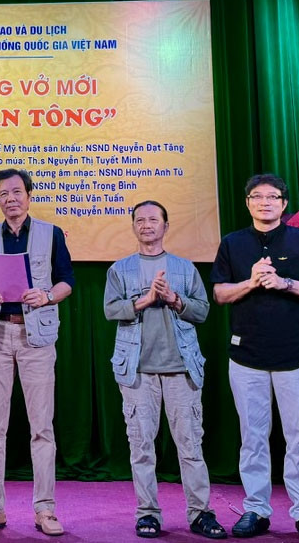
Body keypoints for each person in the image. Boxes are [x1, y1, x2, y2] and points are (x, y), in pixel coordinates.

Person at [210, 174, 299, 543]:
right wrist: (251, 282)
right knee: (252, 437)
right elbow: (220, 294)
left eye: (272, 197)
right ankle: (256, 510)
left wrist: (285, 283)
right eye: (257, 196)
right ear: (247, 202)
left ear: (284, 204)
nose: (264, 202)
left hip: (295, 355)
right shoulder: (233, 243)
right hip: (246, 356)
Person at [104, 200, 227, 540]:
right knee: (141, 447)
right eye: (140, 220)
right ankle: (147, 513)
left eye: (153, 219)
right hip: (137, 371)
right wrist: (144, 300)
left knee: (191, 447)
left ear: (166, 226)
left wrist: (174, 298)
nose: (146, 225)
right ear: (133, 226)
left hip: (181, 369)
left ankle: (200, 513)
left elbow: (202, 311)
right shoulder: (120, 269)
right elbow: (110, 310)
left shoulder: (185, 268)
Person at [0, 169, 74, 537]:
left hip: (36, 337)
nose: (10, 199)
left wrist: (47, 295)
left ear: (29, 194)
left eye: (16, 192)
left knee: (42, 428)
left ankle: (46, 510)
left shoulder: (51, 233)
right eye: (3, 193)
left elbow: (67, 282)